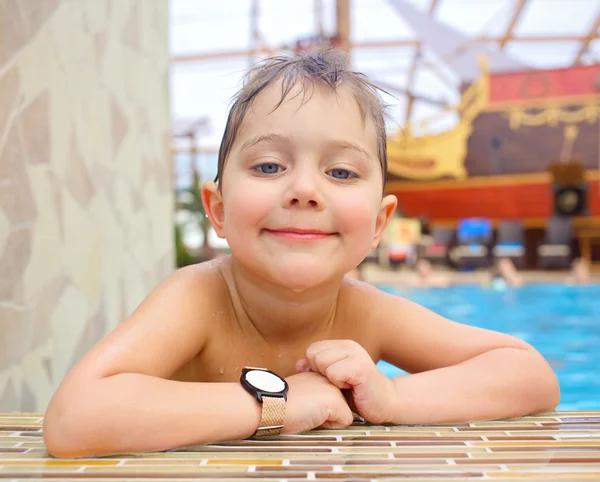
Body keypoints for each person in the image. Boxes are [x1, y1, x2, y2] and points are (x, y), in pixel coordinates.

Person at [43, 49, 559, 458]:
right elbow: (73, 420)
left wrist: (391, 397)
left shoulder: (368, 313)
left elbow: (528, 373)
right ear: (217, 209)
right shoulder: (195, 299)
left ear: (379, 223)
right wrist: (278, 405)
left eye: (341, 172)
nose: (304, 190)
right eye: (269, 166)